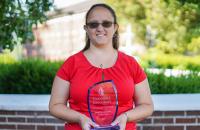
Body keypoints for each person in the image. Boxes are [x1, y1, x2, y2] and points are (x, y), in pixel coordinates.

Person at [49, 3, 154, 130]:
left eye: (106, 23)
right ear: (86, 29)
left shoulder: (130, 64)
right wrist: (80, 118)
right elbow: (55, 105)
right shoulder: (71, 64)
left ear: (115, 28)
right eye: (93, 24)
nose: (100, 28)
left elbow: (147, 105)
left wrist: (126, 116)